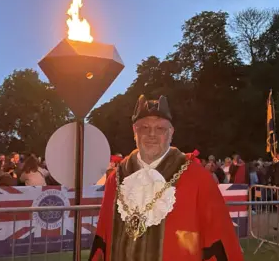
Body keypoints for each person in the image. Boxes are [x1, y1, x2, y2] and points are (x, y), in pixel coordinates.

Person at [89, 95, 243, 261]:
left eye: (160, 128)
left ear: (171, 132)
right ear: (134, 131)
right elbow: (102, 238)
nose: (151, 134)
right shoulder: (116, 179)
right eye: (144, 128)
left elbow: (220, 242)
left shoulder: (198, 179)